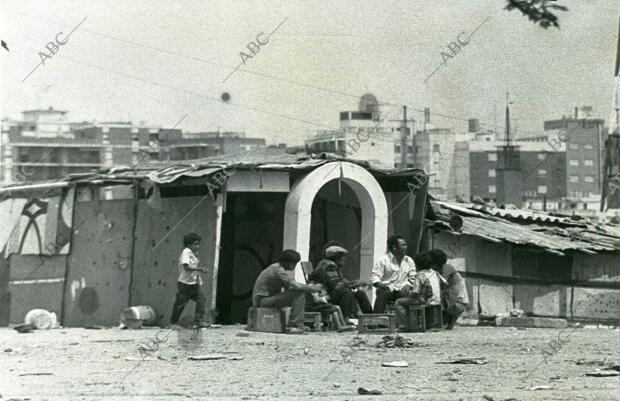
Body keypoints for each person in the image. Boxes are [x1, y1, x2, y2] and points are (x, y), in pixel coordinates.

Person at [252, 249, 320, 334]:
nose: (295, 266)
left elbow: (290, 288)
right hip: (262, 301)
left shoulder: (282, 271)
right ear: (288, 262)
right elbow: (297, 286)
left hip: (268, 299)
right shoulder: (278, 269)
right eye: (294, 263)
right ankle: (293, 326)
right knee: (298, 293)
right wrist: (314, 288)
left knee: (297, 292)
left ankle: (297, 324)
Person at [308, 243, 372, 319]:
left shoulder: (333, 266)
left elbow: (340, 281)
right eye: (342, 257)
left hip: (330, 293)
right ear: (336, 257)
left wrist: (353, 283)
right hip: (324, 296)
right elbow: (336, 286)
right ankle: (346, 317)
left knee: (360, 293)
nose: (344, 259)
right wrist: (353, 285)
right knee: (346, 292)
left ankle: (369, 317)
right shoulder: (329, 266)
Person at [394, 252, 444, 329]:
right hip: (437, 300)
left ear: (418, 265)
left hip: (425, 301)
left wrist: (409, 295)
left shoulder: (420, 275)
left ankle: (405, 325)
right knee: (412, 300)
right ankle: (428, 323)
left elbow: (415, 292)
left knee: (398, 302)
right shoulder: (435, 273)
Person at [170, 233, 209, 328]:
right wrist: (200, 269)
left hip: (193, 283)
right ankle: (173, 323)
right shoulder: (186, 252)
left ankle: (198, 321)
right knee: (180, 303)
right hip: (184, 284)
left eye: (198, 244)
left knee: (201, 299)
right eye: (195, 244)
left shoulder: (193, 254)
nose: (198, 246)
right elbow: (186, 267)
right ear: (189, 244)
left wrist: (198, 279)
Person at [371, 234, 417, 313]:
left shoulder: (409, 260)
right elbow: (375, 277)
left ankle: (409, 322)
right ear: (394, 247)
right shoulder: (383, 260)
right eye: (403, 245)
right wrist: (381, 285)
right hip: (387, 290)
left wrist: (408, 285)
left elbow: (413, 276)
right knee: (383, 293)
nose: (406, 247)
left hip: (403, 290)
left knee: (412, 297)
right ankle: (377, 319)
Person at [429, 249, 469, 330]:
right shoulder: (439, 269)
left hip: (455, 292)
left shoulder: (446, 268)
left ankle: (446, 318)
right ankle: (448, 319)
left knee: (439, 296)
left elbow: (443, 284)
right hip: (453, 292)